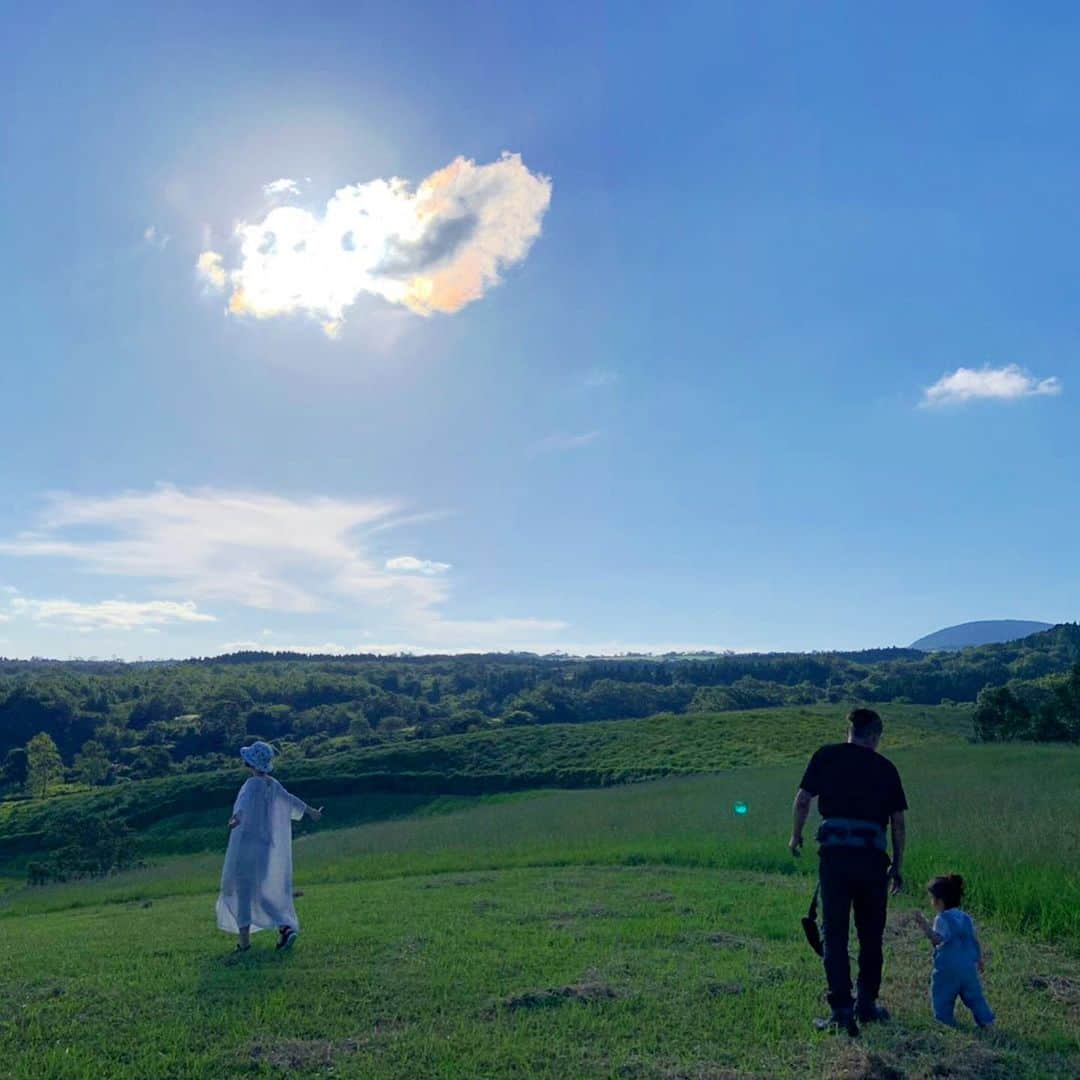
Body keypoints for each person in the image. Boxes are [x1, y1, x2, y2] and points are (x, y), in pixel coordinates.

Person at [789, 708, 907, 1035]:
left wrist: (796, 835)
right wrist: (897, 865)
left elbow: (802, 800)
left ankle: (841, 1010)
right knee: (871, 934)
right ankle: (867, 1004)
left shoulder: (826, 756)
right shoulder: (886, 768)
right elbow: (897, 823)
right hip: (872, 860)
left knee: (835, 934)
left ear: (850, 731)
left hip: (835, 858)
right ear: (875, 736)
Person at [217, 741, 323, 953]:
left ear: (249, 762)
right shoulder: (273, 785)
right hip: (265, 849)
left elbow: (243, 807)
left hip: (246, 846)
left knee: (242, 892)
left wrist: (235, 819)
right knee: (258, 892)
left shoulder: (251, 785)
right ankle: (285, 927)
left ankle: (244, 943)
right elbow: (291, 801)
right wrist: (311, 812)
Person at [913, 874, 995, 1029]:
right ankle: (986, 1021)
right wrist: (979, 959)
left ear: (939, 901)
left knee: (942, 994)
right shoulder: (966, 918)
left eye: (932, 898)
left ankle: (944, 1020)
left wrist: (923, 925)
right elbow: (973, 940)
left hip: (948, 968)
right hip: (968, 968)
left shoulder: (942, 919)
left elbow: (937, 939)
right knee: (975, 996)